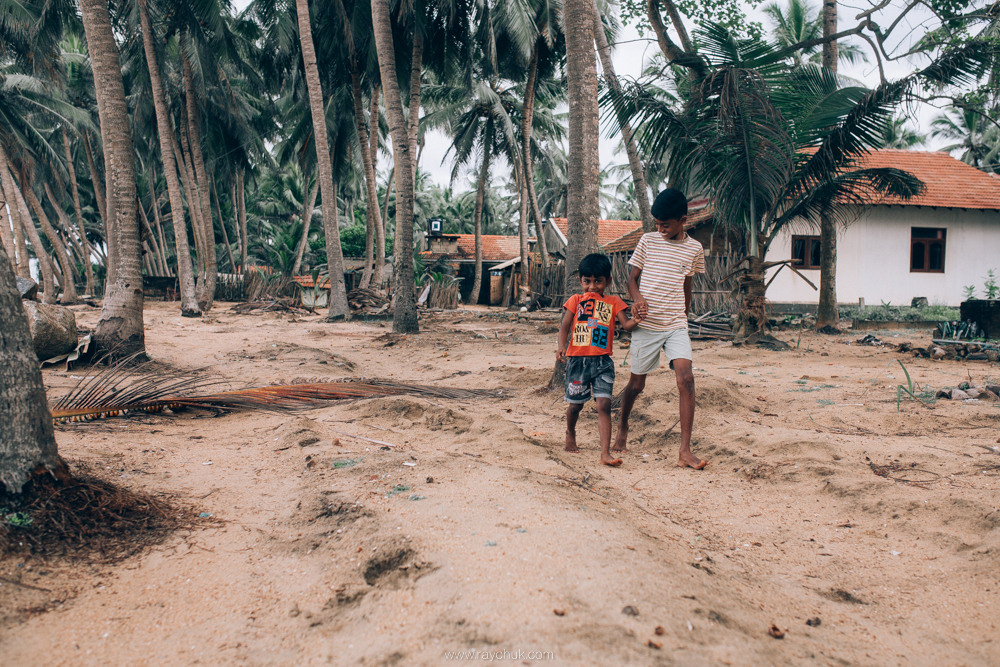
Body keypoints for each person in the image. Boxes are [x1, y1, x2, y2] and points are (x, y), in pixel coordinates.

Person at [614, 188, 708, 469]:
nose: (660, 229)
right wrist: (638, 299)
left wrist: (684, 317)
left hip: (676, 323)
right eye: (656, 224)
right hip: (647, 325)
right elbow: (632, 278)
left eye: (665, 225)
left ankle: (685, 451)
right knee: (636, 384)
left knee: (686, 378)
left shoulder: (694, 249)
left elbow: (687, 285)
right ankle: (623, 425)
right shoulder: (647, 241)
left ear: (683, 220)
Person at [557, 253, 643, 467]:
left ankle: (605, 453)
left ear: (608, 281)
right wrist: (560, 347)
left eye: (598, 281)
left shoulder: (614, 302)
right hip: (577, 361)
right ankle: (570, 431)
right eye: (587, 281)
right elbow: (565, 326)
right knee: (576, 405)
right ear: (581, 281)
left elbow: (626, 325)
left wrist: (637, 320)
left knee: (603, 404)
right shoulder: (575, 300)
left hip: (603, 362)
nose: (592, 286)